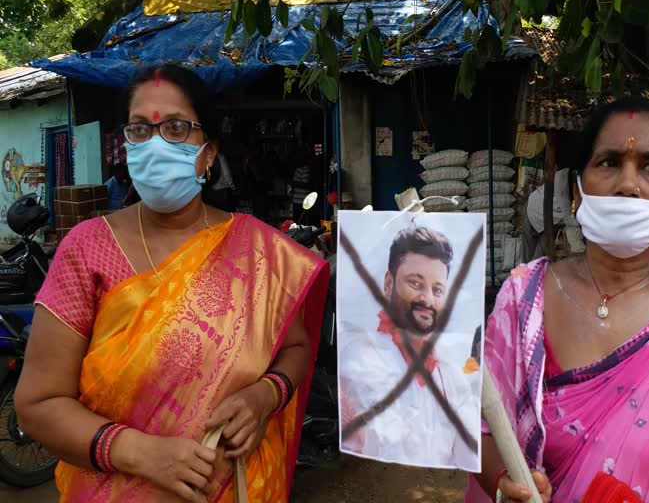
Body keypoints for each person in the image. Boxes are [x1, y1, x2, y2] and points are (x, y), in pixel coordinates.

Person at [14, 65, 329, 502]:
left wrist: (264, 396)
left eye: (177, 128)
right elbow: (38, 405)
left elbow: (296, 348)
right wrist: (140, 453)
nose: (157, 143)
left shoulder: (256, 249)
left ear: (209, 151)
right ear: (126, 146)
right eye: (141, 129)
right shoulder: (87, 250)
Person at [469, 97, 649, 502]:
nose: (628, 184)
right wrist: (506, 483)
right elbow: (482, 427)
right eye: (609, 162)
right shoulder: (522, 300)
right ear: (576, 190)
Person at [339, 226, 480, 471]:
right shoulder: (359, 361)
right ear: (388, 283)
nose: (427, 299)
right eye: (416, 283)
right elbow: (366, 456)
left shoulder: (451, 376)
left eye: (437, 290)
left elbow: (468, 455)